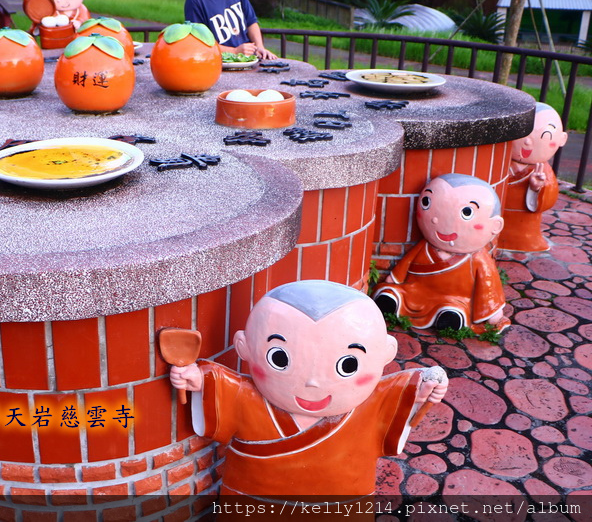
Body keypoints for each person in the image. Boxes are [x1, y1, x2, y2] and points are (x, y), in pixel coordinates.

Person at [170, 280, 447, 504]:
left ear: (385, 354)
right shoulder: (247, 398)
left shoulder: (373, 404)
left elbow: (404, 390)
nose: (313, 381)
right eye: (279, 358)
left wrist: (423, 389)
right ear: (244, 347)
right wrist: (198, 378)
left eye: (347, 365)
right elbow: (221, 384)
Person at [372, 174, 508, 334]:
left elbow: (488, 286)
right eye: (426, 202)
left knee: (453, 308)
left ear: (495, 225)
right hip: (415, 291)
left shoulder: (479, 259)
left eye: (467, 212)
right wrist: (395, 279)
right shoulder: (425, 247)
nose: (438, 220)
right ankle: (392, 301)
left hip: (453, 299)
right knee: (395, 293)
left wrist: (493, 312)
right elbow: (406, 264)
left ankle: (451, 318)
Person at [498, 102, 568, 252]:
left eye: (545, 135)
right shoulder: (499, 162)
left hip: (524, 226)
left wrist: (536, 188)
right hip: (497, 220)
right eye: (522, 135)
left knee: (523, 238)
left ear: (562, 140)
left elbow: (549, 199)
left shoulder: (543, 171)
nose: (528, 141)